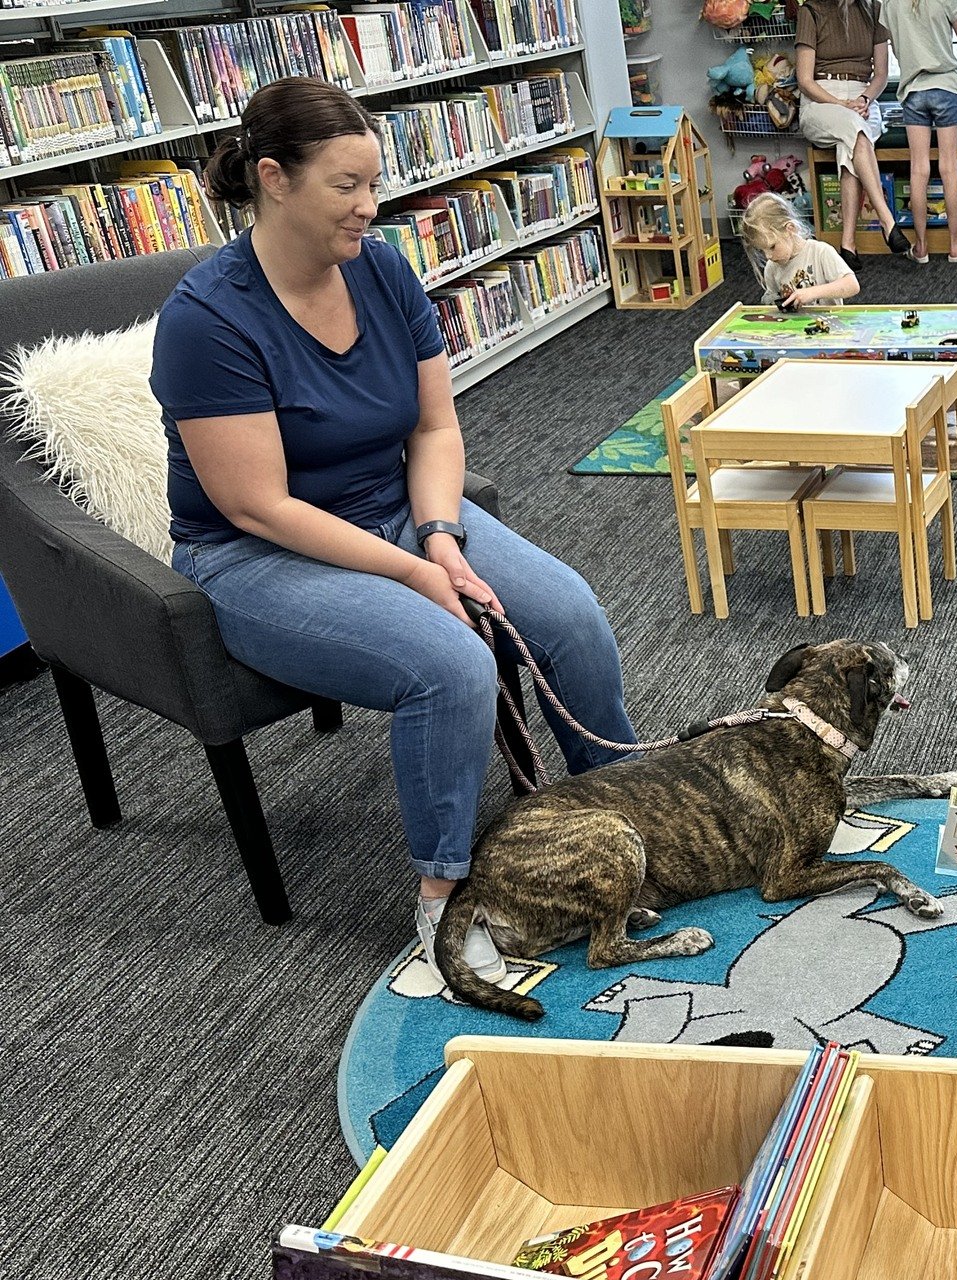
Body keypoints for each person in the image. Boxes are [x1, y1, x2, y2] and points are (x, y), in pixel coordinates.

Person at [151, 78, 638, 982]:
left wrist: (442, 538)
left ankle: (619, 807)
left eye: (376, 183)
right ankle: (445, 903)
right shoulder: (205, 320)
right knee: (449, 667)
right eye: (348, 186)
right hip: (256, 555)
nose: (371, 208)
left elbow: (435, 428)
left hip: (395, 511)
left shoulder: (381, 269)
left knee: (568, 613)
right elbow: (257, 504)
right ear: (274, 179)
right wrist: (416, 575)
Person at [794, 0, 914, 265]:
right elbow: (804, 80)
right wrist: (841, 105)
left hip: (863, 101)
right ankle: (888, 220)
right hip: (821, 100)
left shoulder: (874, 9)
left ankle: (847, 246)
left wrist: (865, 99)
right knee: (855, 131)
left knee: (851, 144)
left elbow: (881, 74)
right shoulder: (810, 11)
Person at [881, 0, 957, 265]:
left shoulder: (889, 4)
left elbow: (897, 47)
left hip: (912, 91)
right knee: (949, 167)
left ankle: (921, 248)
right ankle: (956, 247)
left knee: (918, 169)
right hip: (946, 87)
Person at [740, 192, 860, 307]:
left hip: (829, 324)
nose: (768, 256)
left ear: (790, 229)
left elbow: (852, 285)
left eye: (772, 247)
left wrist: (813, 292)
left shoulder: (820, 252)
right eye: (762, 250)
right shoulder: (771, 268)